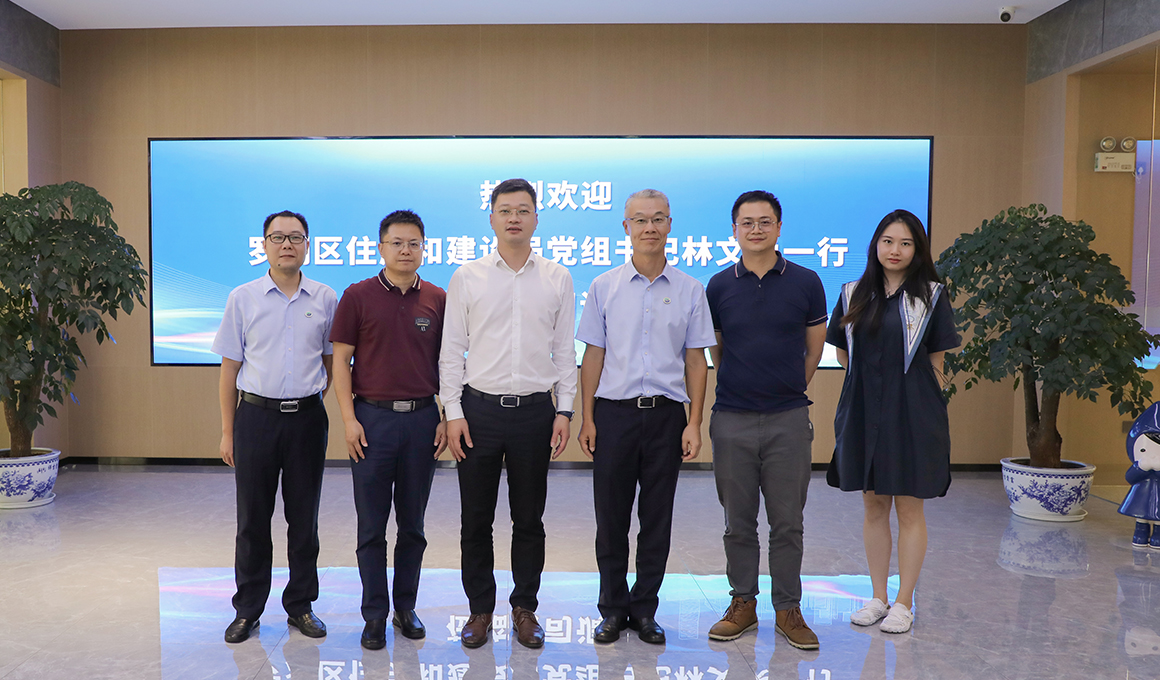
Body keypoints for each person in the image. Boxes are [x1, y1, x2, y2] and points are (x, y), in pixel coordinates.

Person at [439, 178, 577, 649]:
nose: (514, 217)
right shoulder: (467, 276)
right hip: (478, 411)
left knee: (529, 519)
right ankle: (480, 609)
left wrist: (565, 410)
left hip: (536, 413)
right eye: (505, 210)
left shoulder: (558, 277)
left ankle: (524, 609)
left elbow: (564, 351)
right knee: (475, 519)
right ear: (492, 219)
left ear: (536, 218)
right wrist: (453, 411)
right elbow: (451, 350)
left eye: (523, 210)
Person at [576, 188, 715, 645]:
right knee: (611, 519)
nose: (649, 227)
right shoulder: (603, 286)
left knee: (657, 519)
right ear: (626, 227)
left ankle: (645, 609)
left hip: (666, 418)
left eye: (658, 219)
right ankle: (613, 610)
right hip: (613, 417)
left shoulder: (690, 289)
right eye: (640, 220)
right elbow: (593, 356)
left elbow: (696, 361)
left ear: (670, 225)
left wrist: (693, 422)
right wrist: (588, 418)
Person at [824, 209, 959, 634]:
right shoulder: (852, 293)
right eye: (887, 241)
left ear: (917, 249)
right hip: (864, 409)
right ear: (875, 246)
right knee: (874, 505)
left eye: (905, 243)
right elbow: (843, 355)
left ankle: (904, 602)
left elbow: (937, 362)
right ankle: (878, 597)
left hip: (913, 412)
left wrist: (925, 410)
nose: (895, 250)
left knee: (910, 507)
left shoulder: (932, 297)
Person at [704, 190, 827, 649]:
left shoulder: (806, 281)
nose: (756, 229)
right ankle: (743, 603)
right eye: (747, 222)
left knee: (787, 522)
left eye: (765, 221)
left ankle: (788, 609)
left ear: (779, 227)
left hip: (788, 420)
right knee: (738, 522)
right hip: (731, 418)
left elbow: (814, 350)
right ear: (734, 230)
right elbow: (718, 351)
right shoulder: (719, 285)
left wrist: (787, 388)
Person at [213, 210, 338, 644]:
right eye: (278, 237)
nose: (287, 244)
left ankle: (300, 606)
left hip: (306, 420)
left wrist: (307, 402)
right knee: (252, 519)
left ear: (308, 246)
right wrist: (228, 431)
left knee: (304, 519)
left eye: (296, 237)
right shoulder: (242, 298)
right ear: (264, 245)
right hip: (255, 419)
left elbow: (331, 365)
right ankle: (247, 609)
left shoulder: (325, 297)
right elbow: (229, 370)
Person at [330, 210, 448, 649]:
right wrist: (348, 420)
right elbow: (340, 362)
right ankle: (374, 615)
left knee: (413, 525)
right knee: (371, 526)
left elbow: (448, 363)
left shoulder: (437, 298)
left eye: (414, 243)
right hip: (371, 421)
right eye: (397, 243)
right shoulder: (357, 295)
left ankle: (405, 607)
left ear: (424, 248)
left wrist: (445, 415)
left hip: (422, 421)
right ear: (381, 248)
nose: (405, 250)